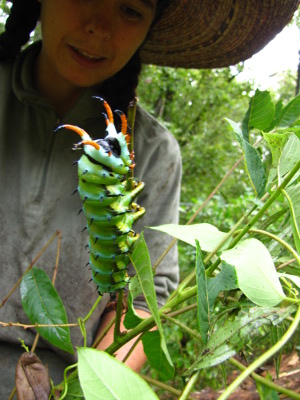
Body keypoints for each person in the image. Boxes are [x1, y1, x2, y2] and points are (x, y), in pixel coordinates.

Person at [0, 0, 298, 397]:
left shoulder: (154, 152)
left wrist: (89, 389)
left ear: (149, 27)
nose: (99, 28)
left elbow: (145, 296)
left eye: (130, 10)